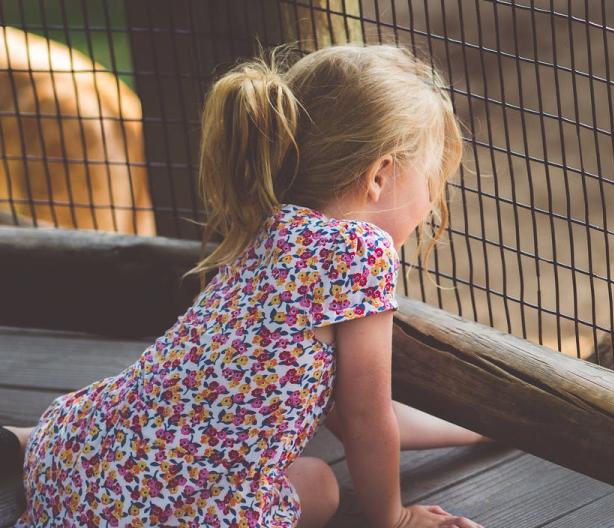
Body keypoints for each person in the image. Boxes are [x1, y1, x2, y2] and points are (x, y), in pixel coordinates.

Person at [0, 43, 487, 528]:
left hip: (75, 460)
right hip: (156, 513)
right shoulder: (360, 252)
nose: (431, 203)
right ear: (380, 174)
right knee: (319, 483)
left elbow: (346, 413)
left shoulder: (267, 222)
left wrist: (476, 427)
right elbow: (364, 416)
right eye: (431, 181)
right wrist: (396, 517)